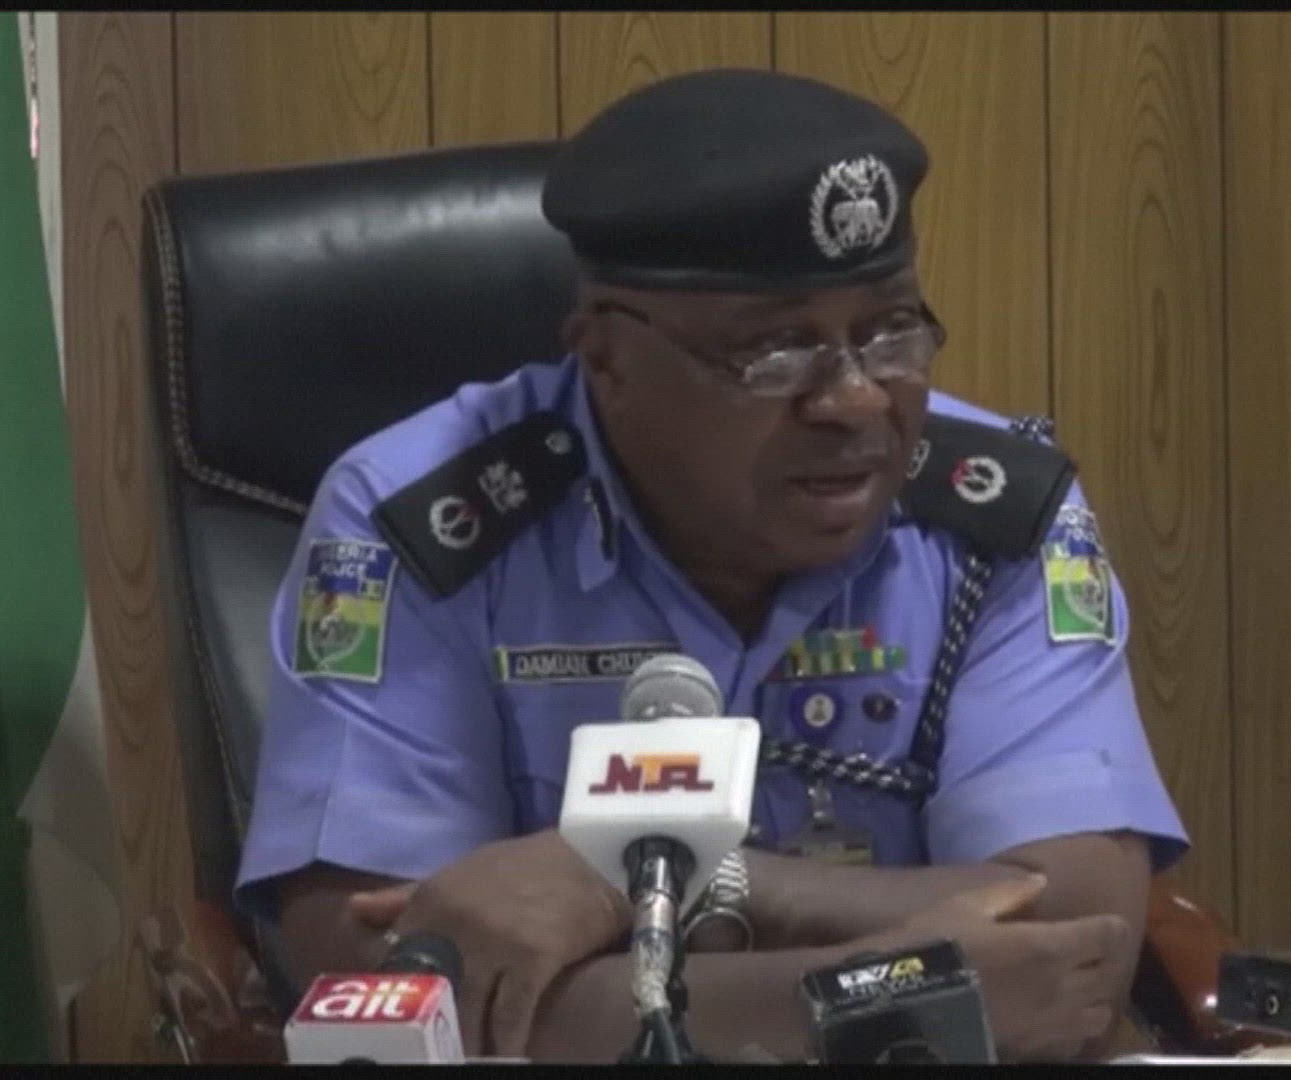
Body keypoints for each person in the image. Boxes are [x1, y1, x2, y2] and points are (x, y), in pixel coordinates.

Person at [235, 67, 1189, 1064]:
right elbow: (387, 987)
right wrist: (886, 989)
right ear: (606, 357)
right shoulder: (418, 522)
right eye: (776, 351)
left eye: (889, 331)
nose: (855, 400)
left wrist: (646, 882)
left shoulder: (993, 515)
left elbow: (1072, 948)